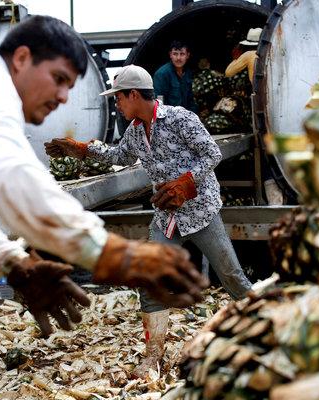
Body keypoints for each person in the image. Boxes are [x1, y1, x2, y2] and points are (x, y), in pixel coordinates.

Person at [0, 16, 207, 399]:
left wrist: (11, 263)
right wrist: (113, 254)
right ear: (22, 58)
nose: (64, 96)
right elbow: (12, 179)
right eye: (60, 79)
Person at [45, 65, 253, 379]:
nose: (117, 104)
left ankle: (270, 330)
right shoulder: (134, 131)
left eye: (118, 98)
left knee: (232, 277)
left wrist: (186, 182)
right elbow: (120, 156)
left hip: (201, 211)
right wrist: (83, 150)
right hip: (167, 216)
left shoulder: (180, 119)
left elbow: (211, 153)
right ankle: (153, 357)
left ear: (133, 94)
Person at [225, 27, 284, 205]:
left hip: (262, 107)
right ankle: (282, 193)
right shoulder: (277, 52)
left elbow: (228, 72)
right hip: (280, 105)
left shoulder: (251, 55)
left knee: (264, 150)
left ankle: (274, 199)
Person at [153, 40, 198, 113]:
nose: (178, 58)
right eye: (175, 54)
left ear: (188, 55)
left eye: (182, 54)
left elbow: (191, 100)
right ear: (170, 55)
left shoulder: (189, 73)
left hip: (187, 117)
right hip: (169, 118)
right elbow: (159, 103)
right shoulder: (162, 74)